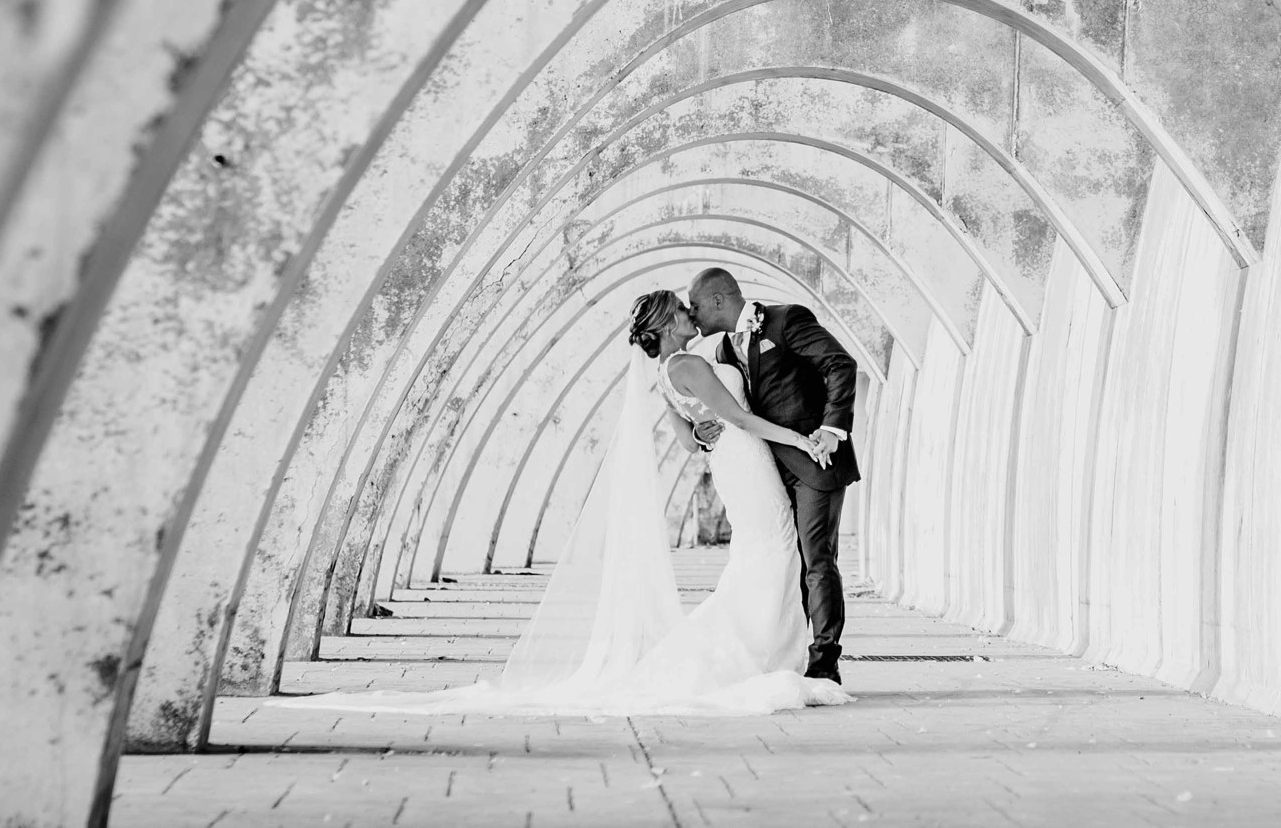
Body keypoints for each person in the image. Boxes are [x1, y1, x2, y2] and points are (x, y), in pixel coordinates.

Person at [266, 288, 851, 717]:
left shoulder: (667, 374)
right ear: (668, 323)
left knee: (770, 553)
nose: (690, 314)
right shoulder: (693, 363)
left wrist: (706, 435)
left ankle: (771, 651)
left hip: (737, 464)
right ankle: (760, 654)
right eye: (682, 310)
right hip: (748, 459)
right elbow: (739, 418)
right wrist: (801, 437)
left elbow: (689, 437)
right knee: (774, 551)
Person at [686, 267, 860, 684]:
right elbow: (725, 409)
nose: (691, 314)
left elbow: (840, 364)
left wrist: (832, 430)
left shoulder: (786, 320)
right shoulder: (723, 352)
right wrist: (698, 431)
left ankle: (824, 663)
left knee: (817, 559)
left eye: (695, 305)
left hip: (816, 458)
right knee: (786, 562)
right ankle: (789, 656)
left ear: (717, 300)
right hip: (768, 471)